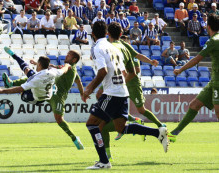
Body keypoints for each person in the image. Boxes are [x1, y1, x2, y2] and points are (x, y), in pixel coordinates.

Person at [83, 21, 169, 170]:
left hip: (111, 93)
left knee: (92, 124)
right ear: (106, 33)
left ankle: (104, 161)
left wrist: (89, 88)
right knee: (121, 128)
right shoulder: (115, 48)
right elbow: (125, 73)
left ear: (93, 35)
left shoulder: (98, 47)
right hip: (122, 92)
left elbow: (102, 71)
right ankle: (158, 132)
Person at [2, 50, 85, 149]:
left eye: (69, 55)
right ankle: (11, 83)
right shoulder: (70, 68)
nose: (66, 56)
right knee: (37, 77)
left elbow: (74, 78)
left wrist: (82, 94)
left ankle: (75, 139)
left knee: (59, 119)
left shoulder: (69, 68)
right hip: (50, 90)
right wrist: (82, 94)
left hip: (58, 96)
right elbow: (78, 81)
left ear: (74, 59)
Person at [168, 14, 219, 142]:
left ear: (208, 27)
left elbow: (196, 59)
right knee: (194, 105)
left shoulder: (213, 41)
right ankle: (175, 133)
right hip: (214, 81)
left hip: (218, 82)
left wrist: (180, 69)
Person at [0, 47, 71, 105]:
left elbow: (19, 89)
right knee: (28, 71)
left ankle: (11, 84)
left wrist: (2, 91)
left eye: (37, 64)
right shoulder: (54, 72)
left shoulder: (36, 78)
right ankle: (14, 55)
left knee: (27, 84)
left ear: (39, 64)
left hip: (34, 99)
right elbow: (64, 70)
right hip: (47, 96)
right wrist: (67, 65)